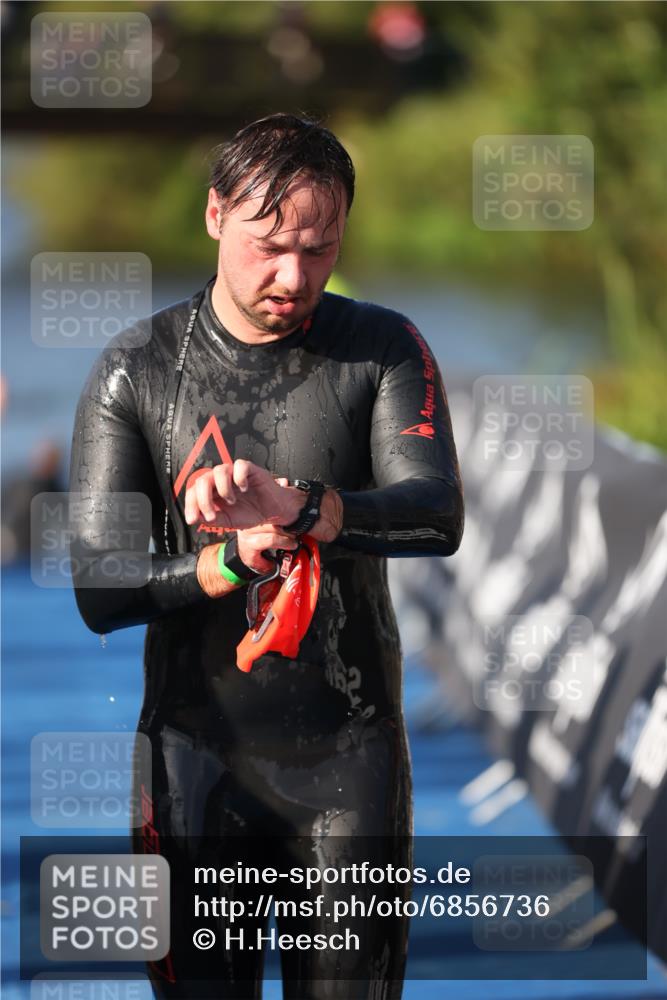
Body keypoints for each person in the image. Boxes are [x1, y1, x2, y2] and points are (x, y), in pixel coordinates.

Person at [70, 113, 464, 1000]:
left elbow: (435, 512)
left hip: (348, 758)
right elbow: (98, 586)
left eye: (319, 249)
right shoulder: (137, 369)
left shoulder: (380, 348)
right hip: (192, 763)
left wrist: (308, 508)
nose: (293, 276)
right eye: (271, 245)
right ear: (215, 216)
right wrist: (232, 562)